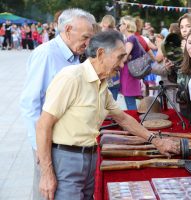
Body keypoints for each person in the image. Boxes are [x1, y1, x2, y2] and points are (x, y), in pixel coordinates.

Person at [36, 30, 179, 199]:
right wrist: (46, 173)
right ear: (101, 53)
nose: (121, 65)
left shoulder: (101, 84)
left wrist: (156, 141)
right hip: (66, 160)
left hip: (90, 158)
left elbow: (123, 118)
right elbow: (43, 124)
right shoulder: (71, 77)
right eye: (119, 57)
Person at [19, 8, 95, 200]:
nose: (88, 43)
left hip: (67, 143)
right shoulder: (46, 54)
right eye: (85, 37)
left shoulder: (76, 55)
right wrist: (38, 146)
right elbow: (30, 104)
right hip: (48, 142)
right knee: (47, 189)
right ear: (68, 29)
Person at [118, 15, 143, 110]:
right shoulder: (132, 38)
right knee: (129, 100)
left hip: (129, 73)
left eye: (121, 24)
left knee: (130, 101)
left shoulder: (130, 39)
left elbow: (124, 58)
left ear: (126, 25)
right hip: (130, 72)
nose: (119, 26)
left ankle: (134, 122)